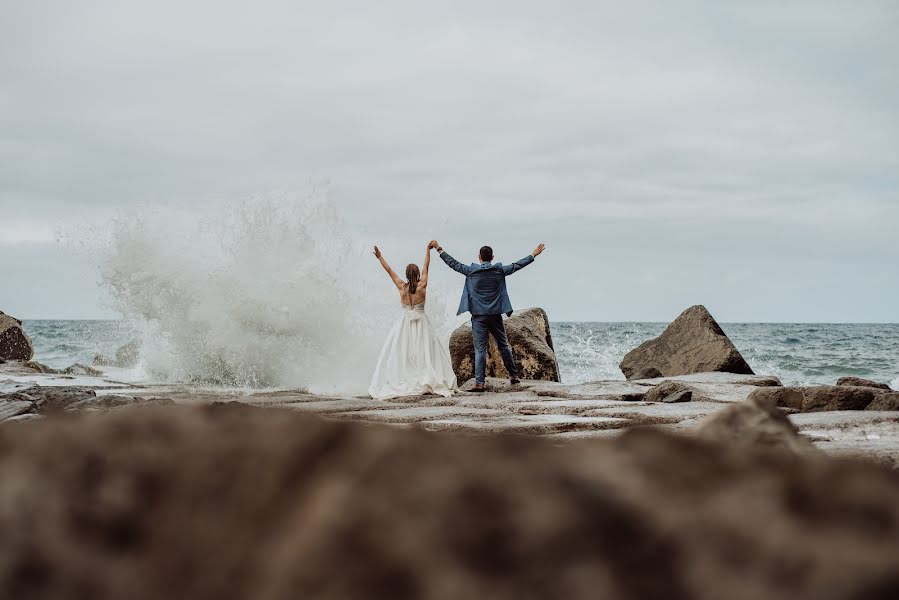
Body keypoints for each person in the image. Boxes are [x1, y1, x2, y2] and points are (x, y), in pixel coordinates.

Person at [431, 240, 546, 392]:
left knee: (480, 350)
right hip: (495, 316)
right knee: (503, 346)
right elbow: (517, 265)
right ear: (492, 257)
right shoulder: (499, 270)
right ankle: (513, 375)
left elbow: (453, 264)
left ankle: (480, 383)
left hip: (478, 317)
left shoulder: (471, 271)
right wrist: (533, 255)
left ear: (479, 257)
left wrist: (439, 249)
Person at [368, 242, 458, 400]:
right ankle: (426, 378)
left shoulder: (401, 287)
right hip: (422, 323)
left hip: (404, 324)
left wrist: (380, 257)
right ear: (417, 274)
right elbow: (426, 266)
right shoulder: (422, 286)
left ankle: (404, 379)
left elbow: (389, 270)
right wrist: (427, 251)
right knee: (425, 352)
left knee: (403, 353)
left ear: (406, 274)